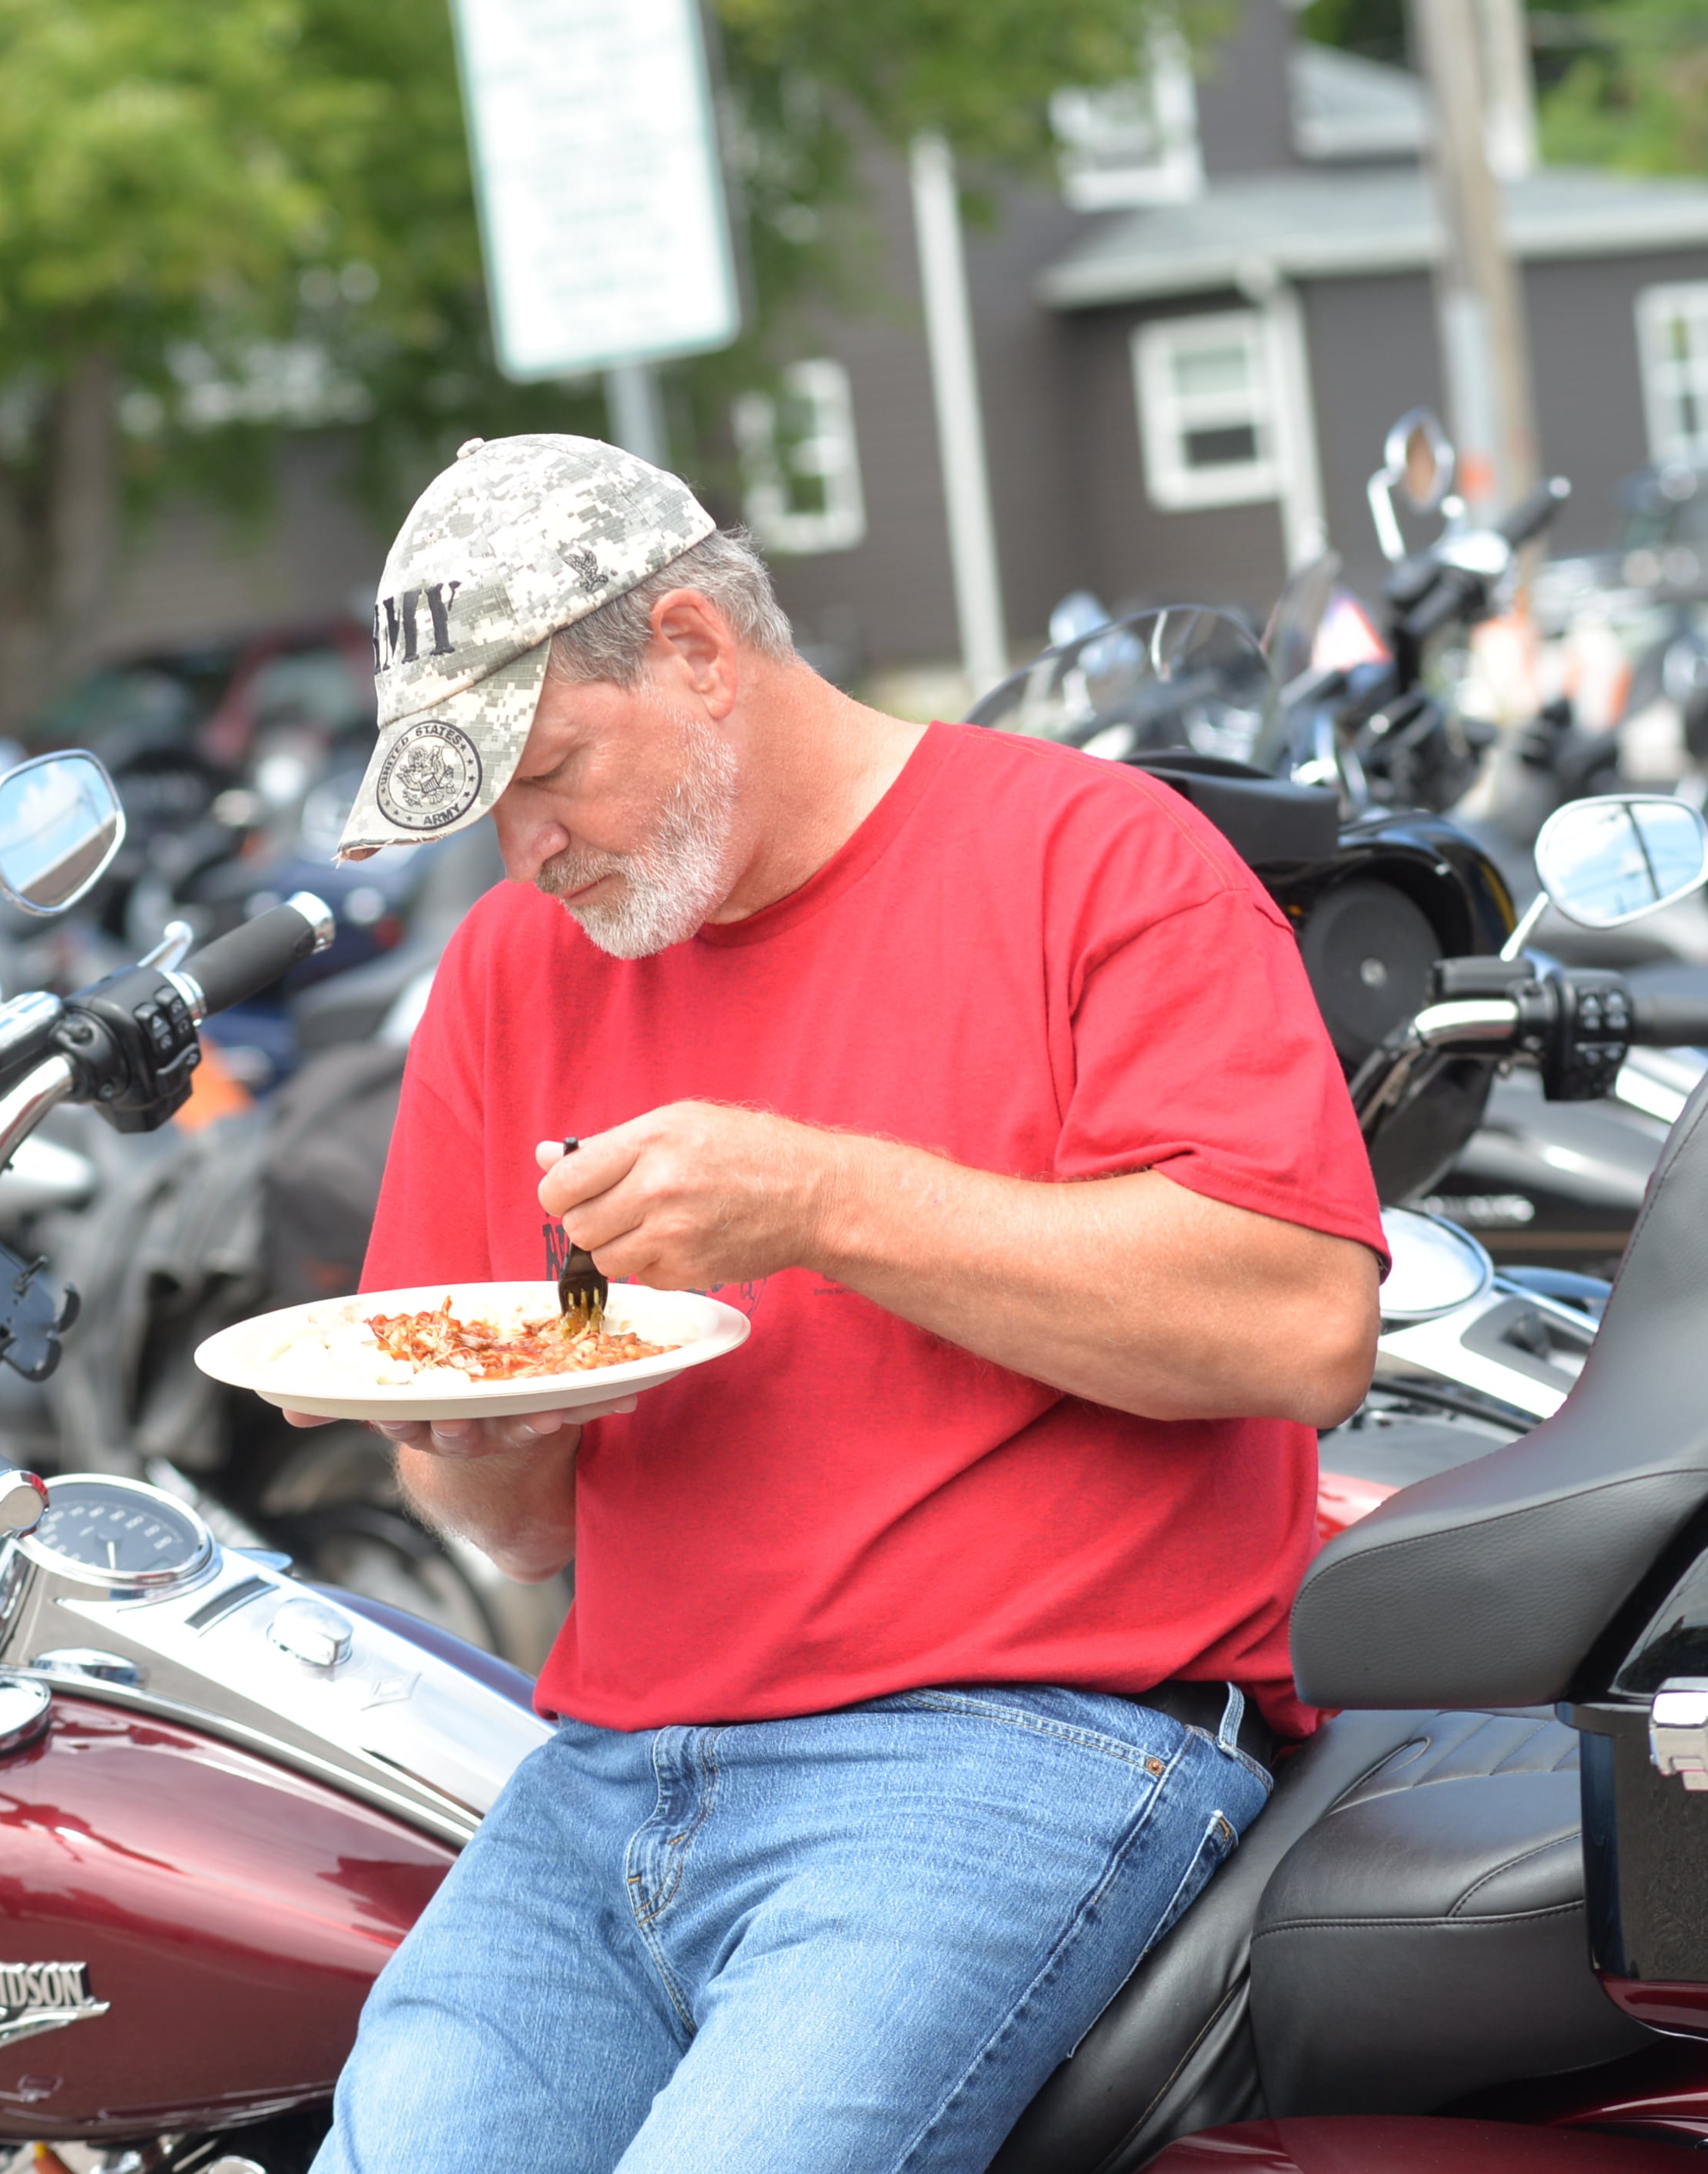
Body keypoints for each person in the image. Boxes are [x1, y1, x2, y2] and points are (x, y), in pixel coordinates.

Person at [296, 434, 1386, 2174]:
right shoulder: (513, 969)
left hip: (1017, 1739)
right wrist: (481, 1439)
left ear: (699, 654)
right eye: (486, 807)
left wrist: (818, 1198)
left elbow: (1301, 1325)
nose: (527, 851)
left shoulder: (1096, 857)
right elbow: (502, 1529)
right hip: (608, 1762)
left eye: (551, 769)